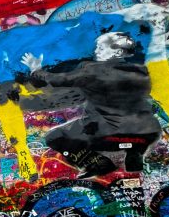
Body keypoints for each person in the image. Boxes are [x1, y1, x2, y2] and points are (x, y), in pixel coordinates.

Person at [22, 32, 160, 178]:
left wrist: (36, 69)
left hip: (111, 136)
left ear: (118, 52)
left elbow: (56, 80)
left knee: (54, 137)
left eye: (101, 48)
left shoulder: (92, 69)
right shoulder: (141, 72)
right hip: (148, 133)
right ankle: (135, 153)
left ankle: (96, 163)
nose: (96, 51)